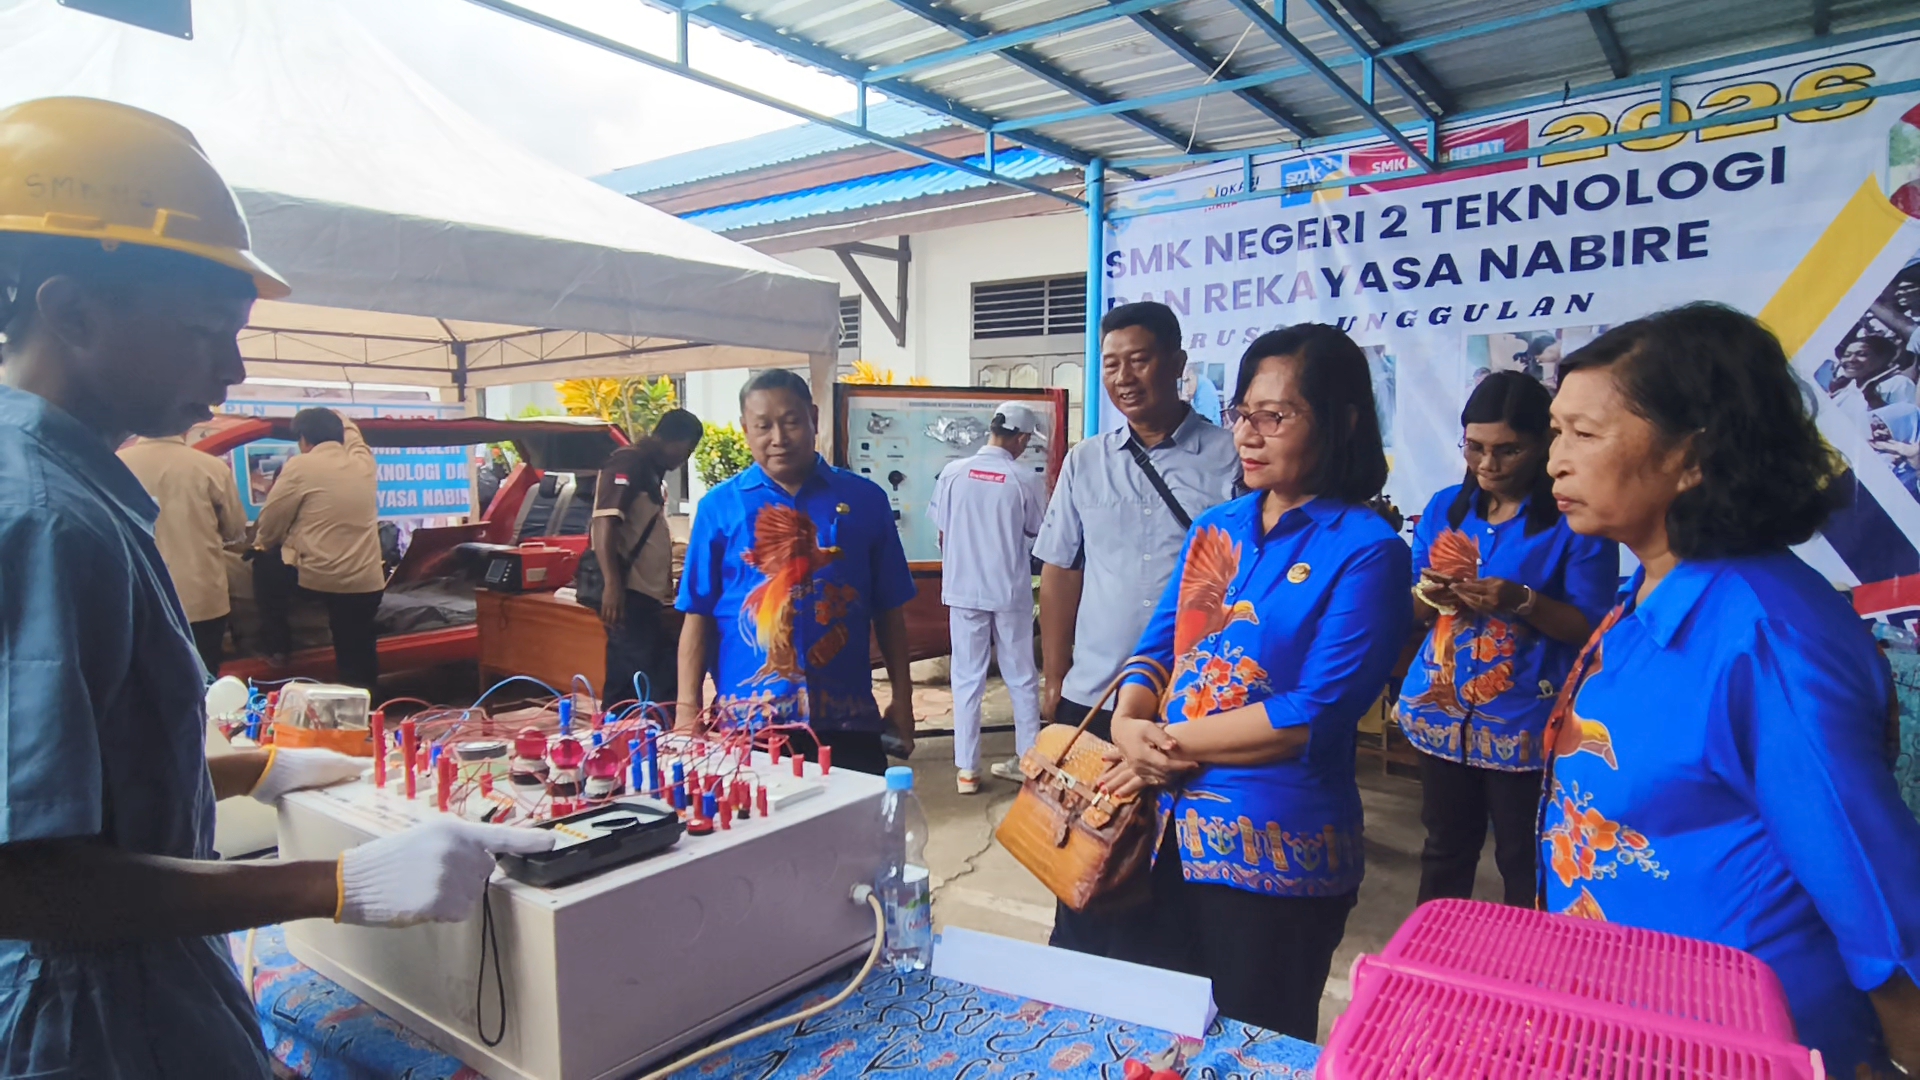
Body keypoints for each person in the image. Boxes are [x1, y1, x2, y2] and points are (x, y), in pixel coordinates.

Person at [0, 96, 552, 1079]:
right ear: (71, 310)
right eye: (205, 329)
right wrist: (330, 882)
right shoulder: (43, 515)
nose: (234, 366)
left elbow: (73, 795)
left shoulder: (68, 482)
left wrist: (243, 772)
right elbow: (24, 880)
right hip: (90, 1027)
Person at [1542, 303, 1920, 1075]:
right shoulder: (1644, 598)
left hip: (1742, 1041)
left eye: (1585, 434)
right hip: (1628, 1024)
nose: (1556, 459)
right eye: (1557, 430)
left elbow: (1869, 885)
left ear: (1693, 456)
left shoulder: (1766, 634)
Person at [1097, 324, 1411, 1040]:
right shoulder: (1218, 525)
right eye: (1243, 413)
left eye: (1277, 416)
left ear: (1342, 421)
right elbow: (1154, 650)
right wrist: (1125, 724)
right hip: (1158, 835)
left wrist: (1160, 742)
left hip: (1275, 851)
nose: (1250, 433)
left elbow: (1312, 714)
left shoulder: (1366, 550)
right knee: (1150, 1037)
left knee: (1253, 1045)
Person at [1031, 300, 1239, 955]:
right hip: (1093, 696)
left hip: (1191, 704)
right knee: (1083, 866)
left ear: (1178, 364)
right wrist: (1054, 674)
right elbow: (1061, 569)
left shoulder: (1230, 458)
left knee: (1172, 876)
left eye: (1140, 360)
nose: (1124, 377)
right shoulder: (1085, 461)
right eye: (1111, 364)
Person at [1396, 372, 1616, 907]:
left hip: (1524, 719)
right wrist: (1435, 594)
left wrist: (1522, 601)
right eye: (1475, 448)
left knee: (1524, 857)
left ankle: (1527, 975)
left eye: (1506, 450)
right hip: (1440, 711)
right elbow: (1416, 613)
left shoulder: (1573, 522)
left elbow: (1590, 627)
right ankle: (1433, 964)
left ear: (1544, 442)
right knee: (1445, 849)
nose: (1487, 465)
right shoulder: (1449, 508)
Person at [674, 369, 917, 775]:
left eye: (790, 422)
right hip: (751, 725)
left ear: (814, 418)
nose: (779, 438)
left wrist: (904, 701)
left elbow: (890, 609)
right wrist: (687, 712)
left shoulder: (865, 499)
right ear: (744, 429)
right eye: (763, 426)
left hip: (848, 719)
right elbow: (697, 612)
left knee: (857, 833)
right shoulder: (720, 508)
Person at [927, 401, 1047, 793]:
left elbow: (942, 531)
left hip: (963, 590)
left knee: (966, 679)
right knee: (1022, 677)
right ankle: (1029, 762)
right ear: (1022, 438)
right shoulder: (1025, 478)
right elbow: (1036, 532)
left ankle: (967, 771)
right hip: (1009, 591)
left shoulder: (953, 473)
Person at [252, 406, 386, 689]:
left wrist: (262, 543)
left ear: (303, 439)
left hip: (318, 579)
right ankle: (366, 709)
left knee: (265, 563)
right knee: (358, 649)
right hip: (366, 581)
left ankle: (277, 646)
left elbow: (273, 518)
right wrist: (343, 419)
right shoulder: (364, 463)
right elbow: (357, 441)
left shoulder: (301, 466)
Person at [593, 408, 702, 706]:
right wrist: (612, 585)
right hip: (628, 592)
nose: (686, 458)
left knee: (630, 676)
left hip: (643, 595)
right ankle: (634, 739)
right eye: (688, 449)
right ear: (674, 439)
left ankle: (623, 739)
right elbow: (604, 521)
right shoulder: (629, 462)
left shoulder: (650, 469)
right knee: (650, 677)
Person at [119, 427, 250, 675]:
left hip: (137, 594)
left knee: (145, 680)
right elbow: (235, 530)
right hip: (200, 596)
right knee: (203, 675)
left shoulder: (115, 465)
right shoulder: (210, 467)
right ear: (186, 427)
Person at [1829, 334, 1916, 423]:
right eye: (1847, 355)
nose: (1851, 359)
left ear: (1882, 359)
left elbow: (1907, 423)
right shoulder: (1845, 389)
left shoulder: (1897, 383)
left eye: (1862, 354)